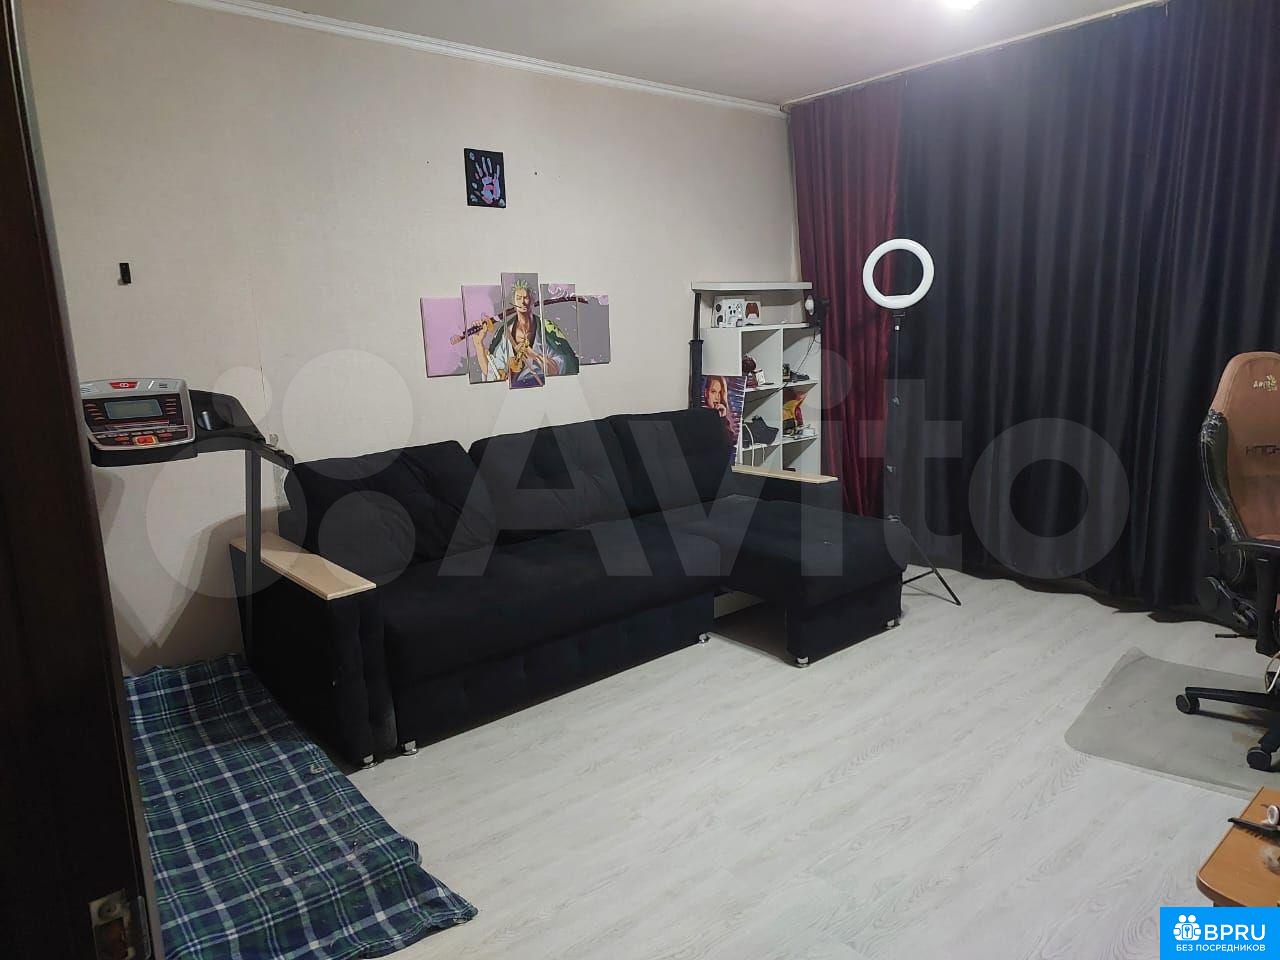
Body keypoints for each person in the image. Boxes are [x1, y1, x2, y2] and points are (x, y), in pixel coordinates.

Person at [471, 280, 579, 385]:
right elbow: (492, 373)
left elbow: (564, 365)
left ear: (532, 300)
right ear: (513, 302)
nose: (522, 302)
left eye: (526, 298)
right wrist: (478, 344)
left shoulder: (547, 328)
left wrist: (535, 356)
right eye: (518, 298)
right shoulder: (504, 333)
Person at [702, 375, 738, 447]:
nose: (717, 397)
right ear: (706, 393)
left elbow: (729, 444)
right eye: (713, 392)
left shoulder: (723, 417)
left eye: (720, 392)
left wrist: (723, 418)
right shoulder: (701, 416)